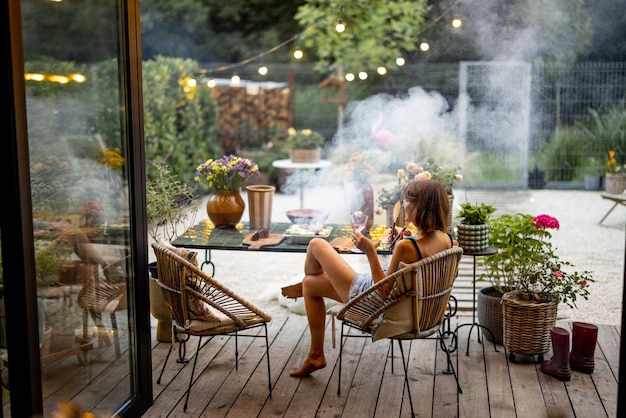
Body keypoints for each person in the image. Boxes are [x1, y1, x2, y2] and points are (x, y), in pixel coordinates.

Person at [281, 179, 455, 377]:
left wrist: (370, 251)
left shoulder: (406, 247)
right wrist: (408, 239)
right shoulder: (445, 238)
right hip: (408, 304)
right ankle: (315, 354)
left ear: (419, 207)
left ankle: (304, 286)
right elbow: (410, 266)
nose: (403, 204)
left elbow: (382, 291)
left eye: (407, 200)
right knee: (311, 285)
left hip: (374, 301)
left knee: (316, 244)